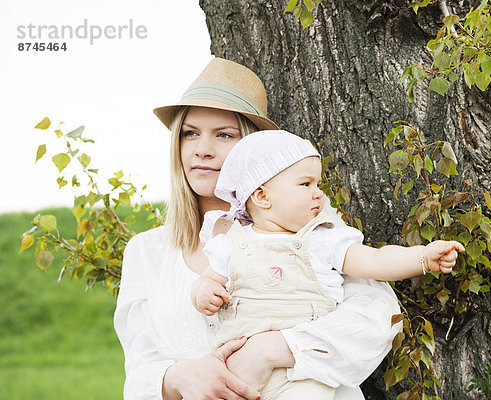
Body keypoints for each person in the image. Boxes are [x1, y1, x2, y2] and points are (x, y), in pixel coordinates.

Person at [113, 57, 403, 400]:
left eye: (224, 135)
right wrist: (178, 378)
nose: (202, 150)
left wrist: (269, 350)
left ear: (254, 149)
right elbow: (140, 371)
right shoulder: (147, 252)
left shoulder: (311, 229)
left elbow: (378, 317)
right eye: (190, 133)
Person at [191, 130, 464, 399]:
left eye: (318, 185)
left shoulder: (321, 239)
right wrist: (204, 292)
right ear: (262, 197)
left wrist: (422, 258)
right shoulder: (232, 243)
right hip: (237, 370)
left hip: (299, 373)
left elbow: (374, 260)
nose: (318, 194)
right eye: (305, 184)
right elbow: (207, 279)